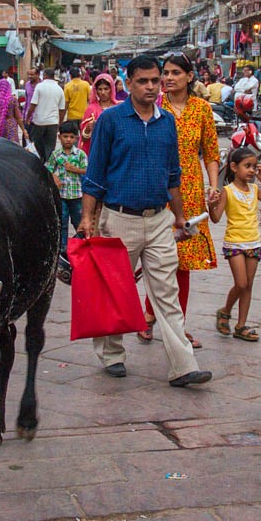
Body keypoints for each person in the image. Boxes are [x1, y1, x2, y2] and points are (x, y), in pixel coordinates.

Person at [79, 55, 210, 388]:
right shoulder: (111, 120)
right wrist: (87, 218)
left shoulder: (167, 123)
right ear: (129, 83)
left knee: (167, 294)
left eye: (155, 80)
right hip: (119, 219)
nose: (151, 87)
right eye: (143, 81)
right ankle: (112, 355)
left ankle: (183, 366)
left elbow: (173, 175)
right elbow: (94, 174)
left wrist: (179, 218)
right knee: (114, 290)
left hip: (159, 220)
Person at [140, 53, 220, 349]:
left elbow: (210, 152)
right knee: (159, 258)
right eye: (166, 73)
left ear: (189, 76)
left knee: (182, 263)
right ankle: (149, 315)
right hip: (158, 191)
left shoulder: (202, 109)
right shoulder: (154, 107)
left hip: (191, 193)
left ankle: (177, 325)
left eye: (175, 73)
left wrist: (214, 186)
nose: (168, 78)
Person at [207, 146, 261, 342]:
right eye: (247, 166)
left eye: (254, 167)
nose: (252, 170)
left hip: (253, 242)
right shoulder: (227, 191)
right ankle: (225, 310)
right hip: (235, 243)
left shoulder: (254, 190)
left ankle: (241, 325)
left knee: (248, 286)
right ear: (234, 167)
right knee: (241, 283)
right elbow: (216, 218)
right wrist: (211, 206)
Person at [46, 120, 87, 254]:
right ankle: (63, 249)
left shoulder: (80, 154)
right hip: (61, 195)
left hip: (77, 195)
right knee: (62, 222)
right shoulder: (56, 155)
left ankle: (81, 245)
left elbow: (87, 171)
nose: (68, 140)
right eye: (65, 136)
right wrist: (54, 176)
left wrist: (75, 169)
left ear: (76, 138)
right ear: (59, 137)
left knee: (78, 221)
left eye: (71, 137)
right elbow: (47, 169)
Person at [29, 68, 66, 162]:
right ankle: (48, 164)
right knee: (50, 146)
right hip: (52, 123)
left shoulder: (39, 87)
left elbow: (33, 104)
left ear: (45, 75)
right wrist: (59, 123)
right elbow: (62, 109)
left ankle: (41, 161)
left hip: (39, 122)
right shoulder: (59, 89)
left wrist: (28, 117)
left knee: (38, 144)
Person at [79, 72, 118, 153]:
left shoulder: (119, 108)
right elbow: (84, 139)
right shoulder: (91, 109)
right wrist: (88, 129)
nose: (103, 92)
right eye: (100, 89)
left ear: (112, 89)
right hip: (97, 151)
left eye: (106, 89)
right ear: (96, 91)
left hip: (116, 150)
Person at [0, 74, 27, 146]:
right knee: (12, 146)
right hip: (11, 126)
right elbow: (18, 117)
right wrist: (23, 129)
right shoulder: (12, 99)